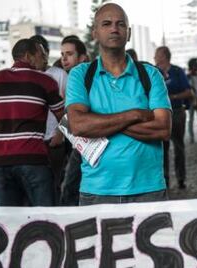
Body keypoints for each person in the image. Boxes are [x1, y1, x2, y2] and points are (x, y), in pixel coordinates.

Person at [66, 3, 171, 205]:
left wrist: (101, 122)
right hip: (97, 192)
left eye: (120, 24)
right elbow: (79, 125)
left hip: (149, 190)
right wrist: (135, 114)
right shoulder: (80, 75)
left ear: (128, 33)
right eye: (106, 24)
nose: (114, 29)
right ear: (95, 32)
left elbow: (163, 128)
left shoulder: (150, 75)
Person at [0, 38, 64, 206]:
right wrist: (61, 134)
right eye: (40, 55)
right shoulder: (45, 81)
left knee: (7, 221)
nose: (44, 58)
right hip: (33, 159)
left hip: (0, 161)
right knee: (45, 217)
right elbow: (64, 116)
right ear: (28, 56)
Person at [30, 34, 68, 205]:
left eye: (41, 52)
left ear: (46, 53)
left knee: (55, 184)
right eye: (34, 52)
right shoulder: (24, 76)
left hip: (53, 139)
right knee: (34, 187)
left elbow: (70, 108)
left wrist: (60, 134)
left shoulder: (59, 75)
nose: (39, 56)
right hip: (31, 143)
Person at [155, 46, 193, 189]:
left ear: (164, 56)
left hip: (177, 112)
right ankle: (164, 181)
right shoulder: (155, 72)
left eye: (157, 55)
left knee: (179, 147)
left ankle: (181, 178)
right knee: (162, 149)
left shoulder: (177, 72)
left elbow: (188, 92)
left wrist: (172, 97)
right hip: (160, 114)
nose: (154, 58)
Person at [59, 37, 89, 206]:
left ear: (82, 57)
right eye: (62, 54)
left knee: (69, 190)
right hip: (76, 142)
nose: (64, 58)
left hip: (88, 142)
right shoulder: (70, 78)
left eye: (69, 54)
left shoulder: (87, 77)